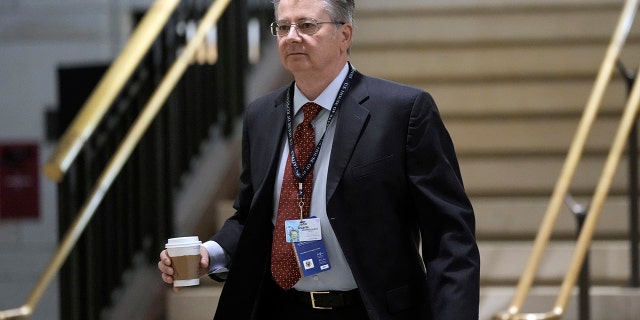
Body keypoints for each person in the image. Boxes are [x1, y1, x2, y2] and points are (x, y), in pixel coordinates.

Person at [158, 0, 480, 319]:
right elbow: (249, 217)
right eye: (283, 27)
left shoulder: (403, 112)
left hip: (369, 308)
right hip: (280, 307)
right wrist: (209, 254)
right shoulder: (261, 116)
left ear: (345, 35)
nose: (292, 36)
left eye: (307, 25)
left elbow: (451, 238)